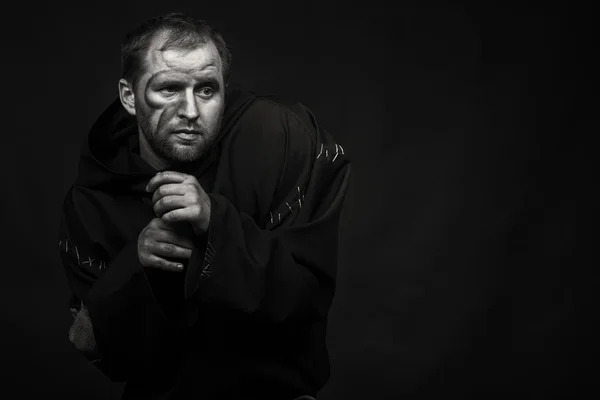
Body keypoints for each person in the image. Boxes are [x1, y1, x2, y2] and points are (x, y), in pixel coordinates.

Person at [57, 12, 350, 400]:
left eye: (207, 90)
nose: (191, 111)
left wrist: (216, 222)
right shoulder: (90, 201)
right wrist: (137, 266)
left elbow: (305, 300)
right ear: (129, 96)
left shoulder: (282, 139)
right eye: (169, 89)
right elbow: (101, 352)